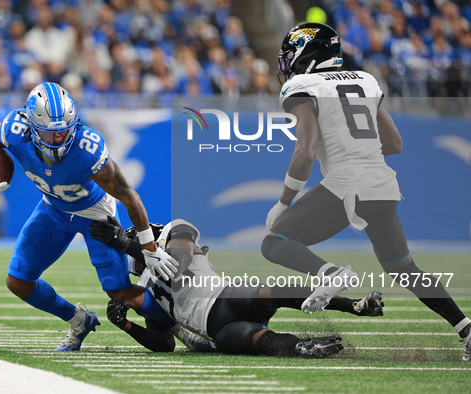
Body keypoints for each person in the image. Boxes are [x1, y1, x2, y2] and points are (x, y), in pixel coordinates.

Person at [261, 22, 471, 361]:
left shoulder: (303, 85)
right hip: (384, 185)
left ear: (305, 52)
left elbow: (306, 150)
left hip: (347, 184)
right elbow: (394, 143)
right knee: (404, 268)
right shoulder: (365, 79)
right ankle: (466, 329)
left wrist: (284, 201)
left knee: (274, 241)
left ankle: (331, 274)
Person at [0, 82, 179, 351]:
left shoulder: (87, 149)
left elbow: (129, 196)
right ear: (30, 125)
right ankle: (78, 320)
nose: (58, 139)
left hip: (95, 215)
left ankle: (179, 328)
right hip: (53, 209)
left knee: (120, 293)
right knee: (18, 281)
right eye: (49, 133)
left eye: (63, 132)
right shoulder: (15, 131)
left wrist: (149, 249)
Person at [91, 217, 385, 358]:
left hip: (226, 298)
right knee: (259, 340)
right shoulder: (147, 291)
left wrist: (125, 244)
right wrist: (127, 326)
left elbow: (176, 265)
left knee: (269, 293)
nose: (140, 266)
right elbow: (164, 344)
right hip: (217, 331)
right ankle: (302, 346)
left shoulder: (175, 232)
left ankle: (355, 306)